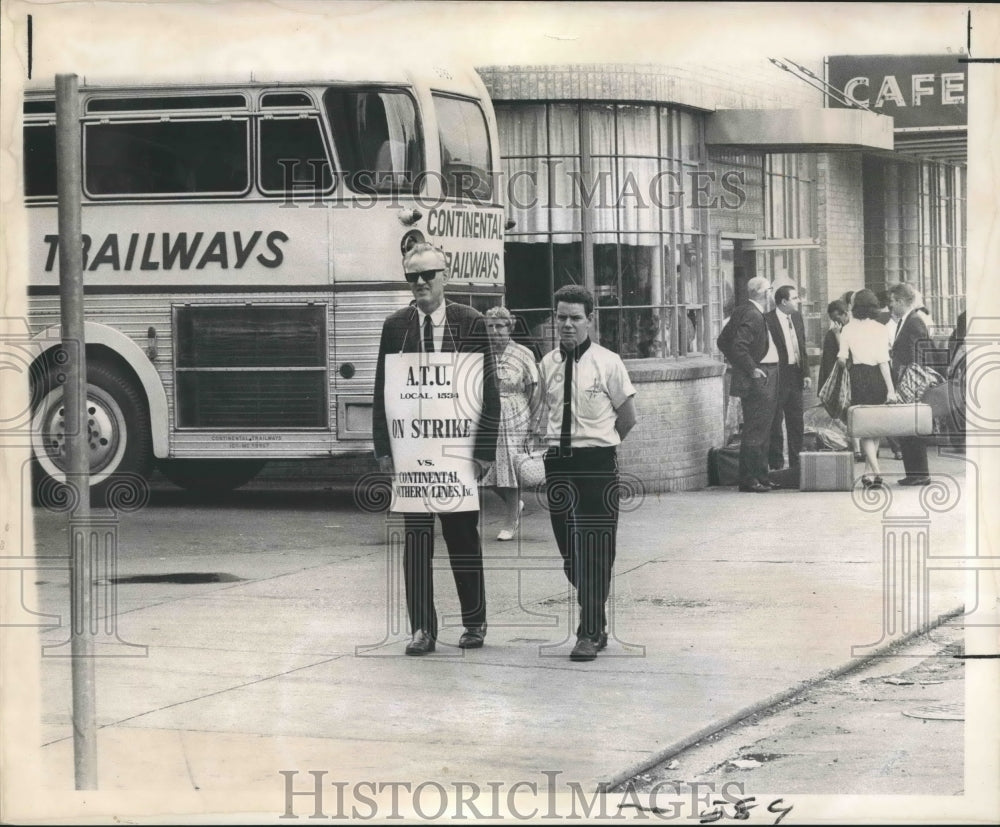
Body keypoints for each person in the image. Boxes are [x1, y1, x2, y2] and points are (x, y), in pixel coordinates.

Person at [371, 243, 500, 655]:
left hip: (457, 452)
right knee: (417, 541)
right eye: (413, 277)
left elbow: (488, 391)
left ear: (445, 276)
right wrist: (383, 450)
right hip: (412, 455)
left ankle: (474, 623)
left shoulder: (471, 322)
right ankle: (422, 629)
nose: (421, 283)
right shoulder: (395, 326)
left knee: (463, 537)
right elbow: (383, 391)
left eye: (428, 275)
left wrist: (483, 452)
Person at [536, 285, 636, 662]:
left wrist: (602, 445)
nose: (567, 324)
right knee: (570, 553)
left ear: (590, 320)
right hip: (559, 463)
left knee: (596, 547)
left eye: (575, 318)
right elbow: (542, 412)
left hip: (596, 461)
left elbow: (627, 418)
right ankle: (597, 616)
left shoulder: (608, 362)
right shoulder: (547, 365)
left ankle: (588, 631)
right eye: (561, 317)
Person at [481, 306, 540, 541]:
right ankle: (515, 504)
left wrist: (534, 423)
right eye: (491, 326)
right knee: (488, 468)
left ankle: (510, 521)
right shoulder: (483, 353)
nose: (495, 331)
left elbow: (534, 388)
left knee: (511, 467)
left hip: (515, 413)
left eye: (500, 326)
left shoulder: (523, 353)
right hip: (489, 415)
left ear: (510, 327)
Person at [718, 276, 779, 493]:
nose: (771, 294)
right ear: (764, 293)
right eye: (770, 290)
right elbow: (737, 345)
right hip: (762, 375)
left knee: (761, 428)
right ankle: (750, 479)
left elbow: (723, 341)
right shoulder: (753, 314)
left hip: (763, 374)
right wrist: (751, 368)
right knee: (756, 429)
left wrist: (742, 365)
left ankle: (761, 476)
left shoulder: (742, 311)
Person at [837, 289, 899, 488]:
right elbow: (884, 361)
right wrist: (891, 389)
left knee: (865, 428)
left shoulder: (847, 329)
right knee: (875, 427)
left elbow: (841, 359)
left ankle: (871, 473)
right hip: (878, 378)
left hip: (858, 378)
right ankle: (874, 472)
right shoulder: (880, 328)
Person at [888, 282, 932, 485]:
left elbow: (919, 354)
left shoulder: (913, 322)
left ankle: (919, 473)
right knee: (907, 426)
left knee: (912, 426)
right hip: (906, 379)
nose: (890, 306)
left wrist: (910, 378)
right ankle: (914, 473)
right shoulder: (906, 320)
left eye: (892, 301)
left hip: (911, 381)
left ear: (901, 301)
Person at [765, 285, 811, 471]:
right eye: (794, 298)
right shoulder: (767, 320)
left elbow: (802, 346)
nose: (798, 301)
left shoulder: (797, 317)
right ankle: (776, 465)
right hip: (777, 376)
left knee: (796, 421)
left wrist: (806, 372)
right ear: (783, 301)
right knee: (776, 421)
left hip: (796, 375)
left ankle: (796, 464)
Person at [818, 299, 849, 390]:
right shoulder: (831, 334)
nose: (836, 323)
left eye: (837, 319)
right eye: (833, 320)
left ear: (845, 314)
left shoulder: (851, 329)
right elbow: (827, 363)